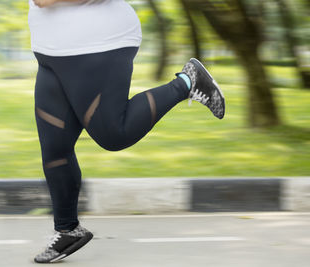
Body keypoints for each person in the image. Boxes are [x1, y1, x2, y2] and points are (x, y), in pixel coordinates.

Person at [28, 0, 225, 263]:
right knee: (55, 148)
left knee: (114, 134)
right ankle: (67, 229)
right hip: (49, 51)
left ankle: (187, 82)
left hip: (97, 43)